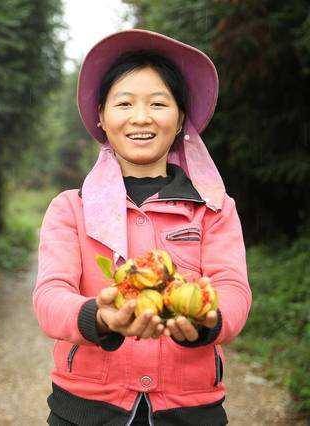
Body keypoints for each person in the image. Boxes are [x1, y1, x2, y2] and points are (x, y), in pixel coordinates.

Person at [33, 29, 252, 425]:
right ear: (101, 115)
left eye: (157, 103)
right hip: (85, 409)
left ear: (180, 115)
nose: (140, 117)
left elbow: (234, 291)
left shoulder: (214, 209)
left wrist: (206, 319)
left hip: (190, 411)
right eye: (124, 103)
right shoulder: (70, 208)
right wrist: (98, 317)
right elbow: (50, 297)